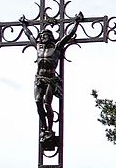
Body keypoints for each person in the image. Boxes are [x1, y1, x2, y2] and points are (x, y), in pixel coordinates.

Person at [19, 12, 83, 148]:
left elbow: (68, 35)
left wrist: (76, 22)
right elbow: (29, 35)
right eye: (41, 35)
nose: (42, 37)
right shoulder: (38, 47)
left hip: (50, 79)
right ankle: (44, 127)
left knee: (47, 104)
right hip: (39, 78)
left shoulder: (56, 47)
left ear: (50, 36)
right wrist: (24, 25)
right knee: (38, 102)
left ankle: (49, 128)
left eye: (45, 35)